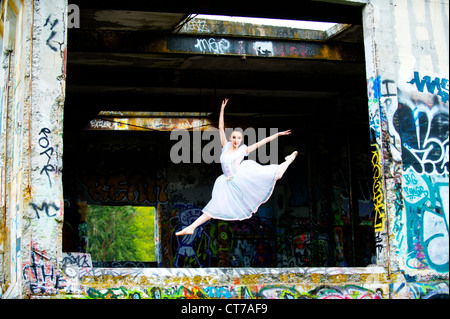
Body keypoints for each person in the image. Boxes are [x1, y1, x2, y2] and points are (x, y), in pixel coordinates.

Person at [176, 98, 297, 236]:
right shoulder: (225, 146)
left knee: (278, 174)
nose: (235, 140)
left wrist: (278, 134)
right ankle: (191, 227)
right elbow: (221, 128)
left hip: (240, 177)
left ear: (241, 140)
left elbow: (262, 142)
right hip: (226, 182)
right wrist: (222, 109)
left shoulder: (243, 150)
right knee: (213, 207)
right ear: (231, 138)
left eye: (238, 138)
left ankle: (289, 159)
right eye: (233, 137)